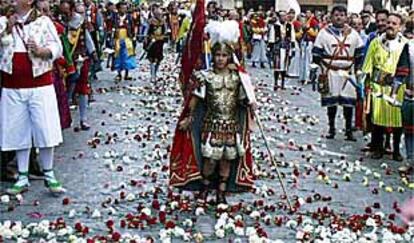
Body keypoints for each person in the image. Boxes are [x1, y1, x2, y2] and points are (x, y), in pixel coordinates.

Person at [170, 20, 256, 204]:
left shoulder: (237, 78)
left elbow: (243, 100)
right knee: (210, 160)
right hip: (212, 123)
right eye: (217, 55)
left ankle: (221, 192)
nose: (220, 59)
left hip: (231, 125)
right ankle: (205, 187)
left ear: (229, 57)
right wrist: (189, 117)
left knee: (227, 160)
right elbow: (196, 98)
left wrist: (250, 103)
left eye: (224, 55)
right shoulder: (206, 76)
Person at [0, 0, 65, 195]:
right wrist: (5, 30)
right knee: (18, 130)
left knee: (45, 128)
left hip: (40, 84)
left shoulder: (43, 22)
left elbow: (57, 47)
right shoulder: (4, 21)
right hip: (12, 85)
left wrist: (41, 51)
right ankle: (22, 175)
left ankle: (49, 173)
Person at [312, 5, 365, 141]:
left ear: (346, 17)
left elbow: (359, 53)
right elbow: (317, 53)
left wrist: (358, 69)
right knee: (332, 103)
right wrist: (320, 70)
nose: (339, 17)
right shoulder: (324, 33)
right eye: (336, 15)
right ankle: (331, 128)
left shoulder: (353, 33)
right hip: (331, 72)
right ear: (331, 17)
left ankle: (348, 130)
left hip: (348, 72)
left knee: (348, 103)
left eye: (342, 15)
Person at [363, 13, 407, 161]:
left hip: (398, 88)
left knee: (398, 122)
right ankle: (379, 148)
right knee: (378, 120)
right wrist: (367, 83)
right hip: (378, 86)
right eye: (388, 22)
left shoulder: (405, 44)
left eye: (394, 24)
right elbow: (367, 65)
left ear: (400, 27)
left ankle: (396, 150)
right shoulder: (376, 42)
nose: (390, 26)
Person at [392, 24, 414, 171]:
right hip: (411, 93)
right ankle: (411, 159)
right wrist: (394, 91)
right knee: (410, 130)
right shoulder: (410, 48)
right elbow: (402, 71)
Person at [271, 10, 295, 90]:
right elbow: (272, 38)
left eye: (285, 16)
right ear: (279, 17)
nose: (284, 18)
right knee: (277, 67)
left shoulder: (289, 26)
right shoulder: (275, 26)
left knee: (284, 67)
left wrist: (293, 47)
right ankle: (275, 83)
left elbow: (292, 37)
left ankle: (282, 83)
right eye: (282, 16)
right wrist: (271, 48)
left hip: (286, 48)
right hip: (278, 48)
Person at [113, 1, 136, 82]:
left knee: (127, 55)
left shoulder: (129, 17)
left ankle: (127, 73)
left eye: (125, 8)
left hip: (127, 38)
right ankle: (119, 73)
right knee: (118, 56)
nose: (124, 10)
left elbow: (132, 27)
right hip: (118, 38)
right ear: (118, 9)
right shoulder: (115, 17)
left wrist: (133, 36)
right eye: (122, 8)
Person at [146, 4, 166, 83]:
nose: (159, 16)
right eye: (158, 14)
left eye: (160, 14)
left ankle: (155, 72)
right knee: (151, 59)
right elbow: (147, 31)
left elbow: (165, 31)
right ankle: (152, 75)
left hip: (160, 42)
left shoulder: (163, 21)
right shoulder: (151, 21)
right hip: (152, 41)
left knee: (159, 59)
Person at [300, 10, 319, 84]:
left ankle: (309, 77)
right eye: (306, 13)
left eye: (308, 13)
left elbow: (316, 33)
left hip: (310, 42)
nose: (307, 14)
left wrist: (308, 30)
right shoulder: (305, 21)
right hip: (304, 42)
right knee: (303, 61)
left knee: (309, 60)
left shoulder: (314, 22)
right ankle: (303, 76)